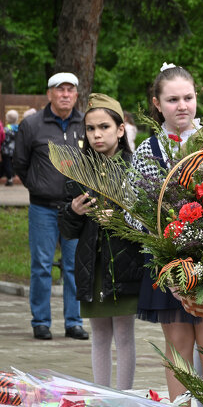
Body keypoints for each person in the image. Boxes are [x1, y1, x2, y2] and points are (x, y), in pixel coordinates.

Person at [133, 63, 203, 400]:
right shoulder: (146, 151)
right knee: (178, 346)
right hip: (167, 262)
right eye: (172, 99)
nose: (182, 105)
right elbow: (132, 209)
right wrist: (160, 235)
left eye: (188, 97)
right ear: (157, 103)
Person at [58, 94, 143, 389]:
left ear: (120, 130)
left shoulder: (135, 167)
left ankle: (124, 398)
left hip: (124, 264)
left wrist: (120, 216)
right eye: (91, 129)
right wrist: (73, 211)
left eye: (104, 127)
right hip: (92, 265)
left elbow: (146, 216)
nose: (96, 134)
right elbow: (67, 229)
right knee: (99, 335)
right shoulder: (79, 170)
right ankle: (103, 398)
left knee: (124, 334)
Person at [13, 72, 88, 340]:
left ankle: (74, 321)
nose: (65, 94)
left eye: (70, 90)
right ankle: (41, 321)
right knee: (42, 265)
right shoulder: (32, 124)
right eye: (60, 89)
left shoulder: (86, 124)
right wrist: (37, 185)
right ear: (49, 94)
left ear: (77, 95)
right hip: (42, 208)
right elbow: (19, 162)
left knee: (73, 266)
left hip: (76, 208)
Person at [1, 110, 19, 186]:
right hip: (15, 149)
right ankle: (13, 174)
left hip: (6, 150)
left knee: (7, 163)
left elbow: (3, 139)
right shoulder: (19, 128)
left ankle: (10, 179)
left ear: (7, 119)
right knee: (12, 163)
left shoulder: (6, 129)